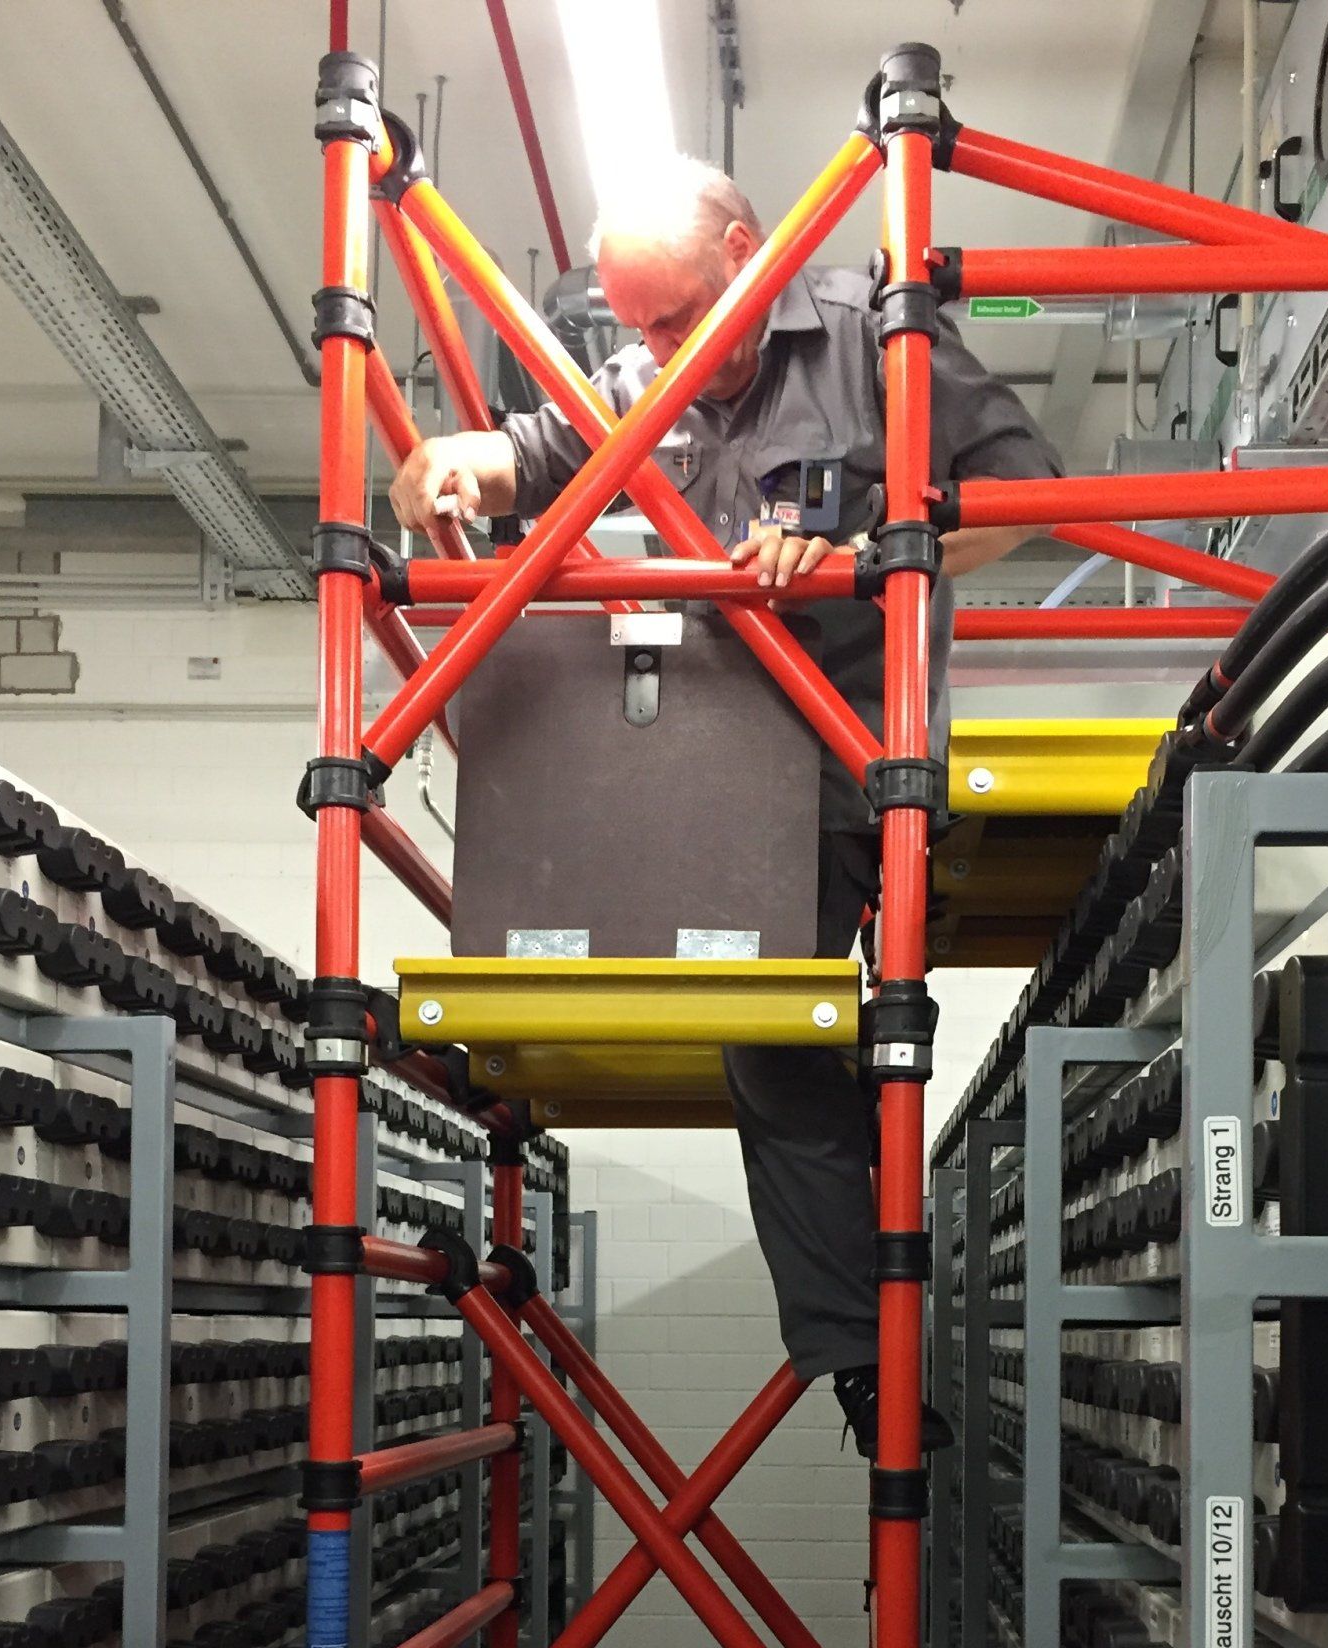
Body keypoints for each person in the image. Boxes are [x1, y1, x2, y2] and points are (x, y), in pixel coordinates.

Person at [388, 156, 1060, 1457]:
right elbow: (529, 453)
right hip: (693, 765)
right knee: (733, 1014)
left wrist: (871, 557)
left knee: (776, 1039)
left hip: (839, 764)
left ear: (753, 255)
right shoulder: (644, 387)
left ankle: (862, 1356)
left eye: (678, 319)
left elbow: (1020, 495)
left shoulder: (881, 338)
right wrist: (450, 462)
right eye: (634, 327)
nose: (656, 352)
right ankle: (860, 1320)